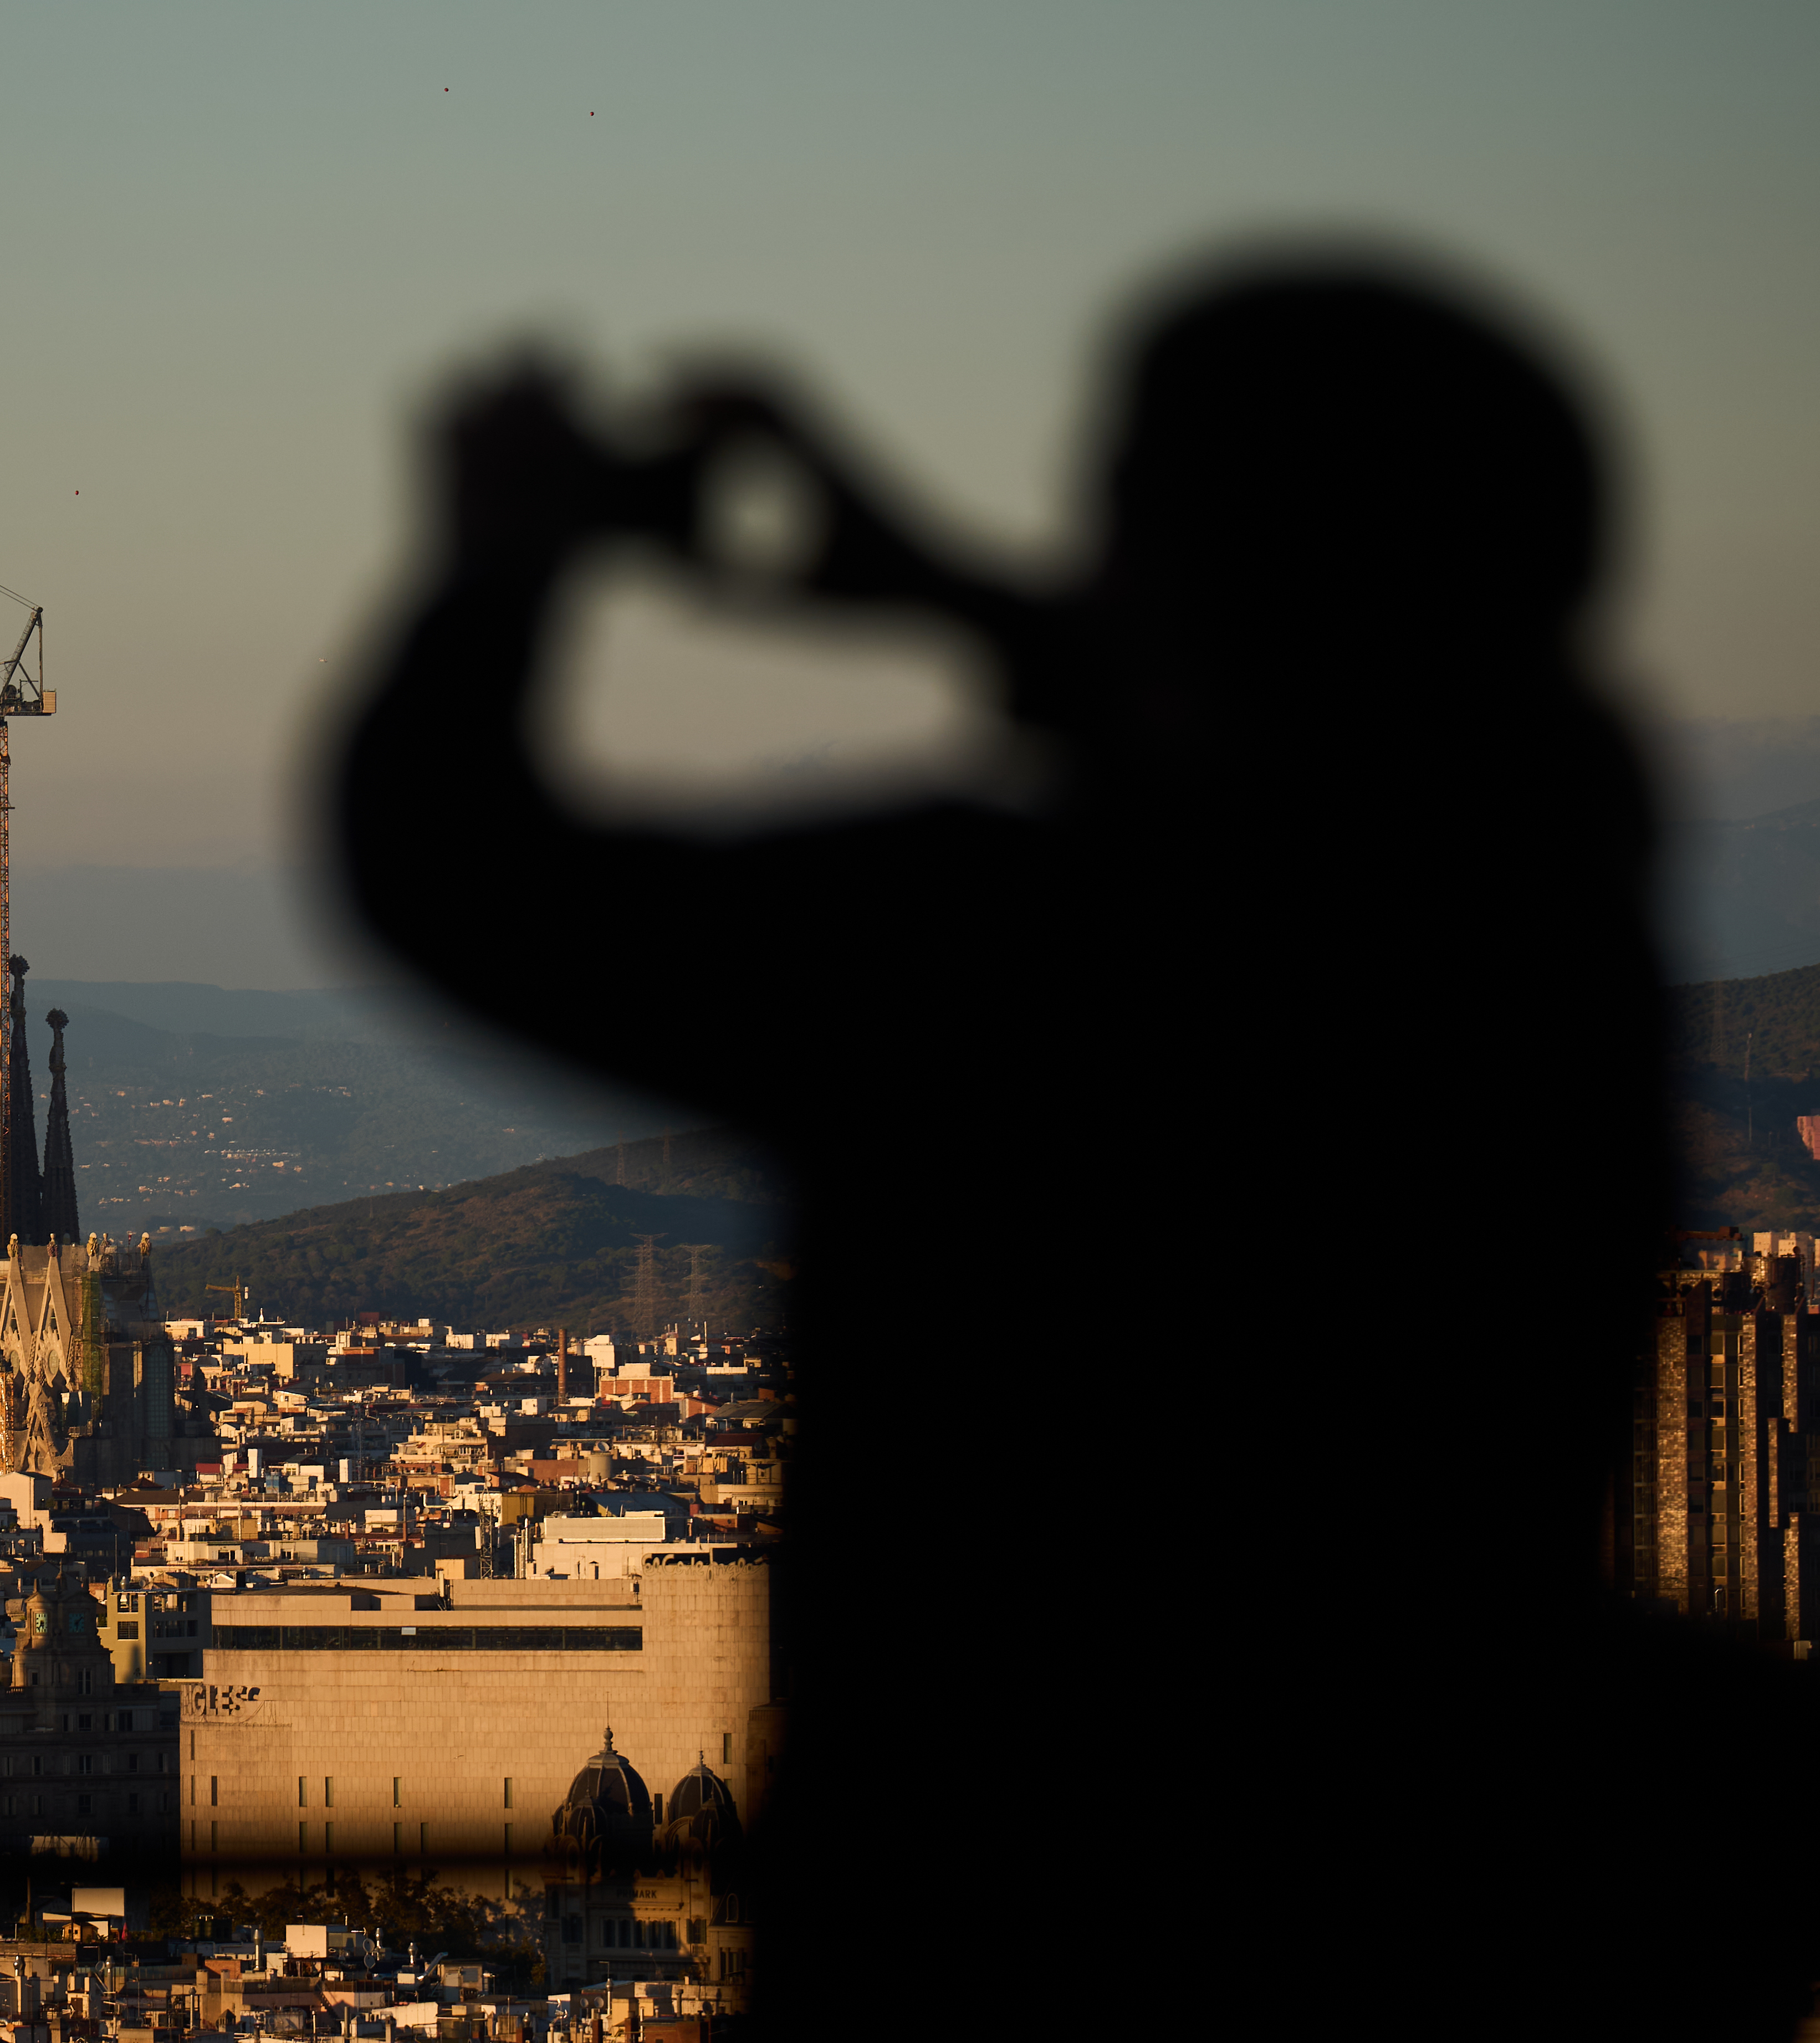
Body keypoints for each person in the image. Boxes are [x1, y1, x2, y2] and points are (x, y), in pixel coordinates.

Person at [335, 254, 1817, 2038]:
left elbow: (466, 875)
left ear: (1168, 562)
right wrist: (956, 590)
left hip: (1023, 1935)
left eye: (1120, 506)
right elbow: (1343, 748)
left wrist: (501, 563)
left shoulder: (1015, 956)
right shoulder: (1538, 934)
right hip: (1472, 1923)